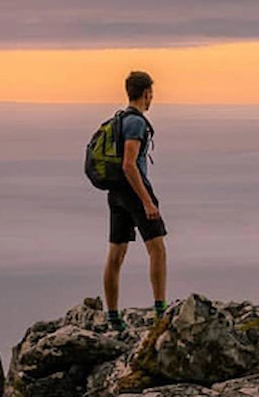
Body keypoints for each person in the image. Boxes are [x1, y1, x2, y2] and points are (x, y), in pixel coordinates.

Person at [103, 70, 167, 331]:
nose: (152, 98)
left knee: (116, 253)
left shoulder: (118, 120)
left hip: (116, 193)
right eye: (151, 93)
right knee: (158, 249)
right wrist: (147, 202)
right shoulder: (136, 123)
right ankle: (160, 312)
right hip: (134, 191)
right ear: (146, 93)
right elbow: (130, 165)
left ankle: (113, 317)